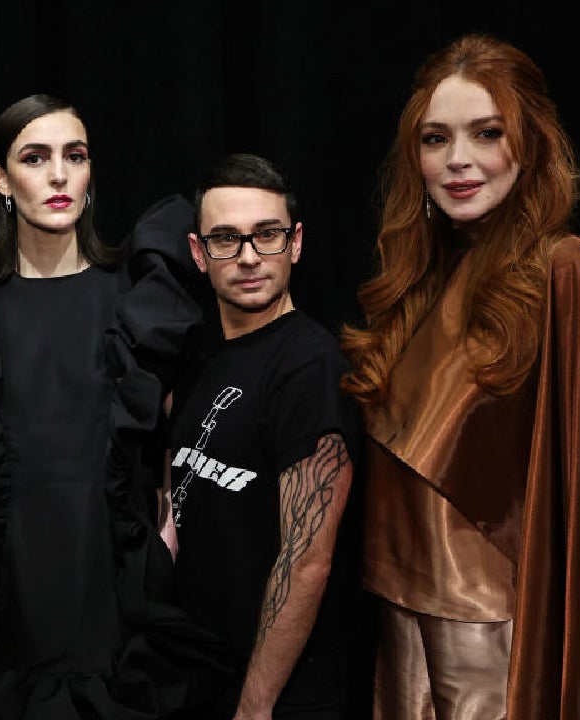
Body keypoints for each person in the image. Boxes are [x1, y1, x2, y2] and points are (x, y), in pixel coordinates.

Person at [339, 34, 580, 719]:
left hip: (496, 634)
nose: (458, 159)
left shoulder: (565, 273)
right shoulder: (421, 280)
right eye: (435, 139)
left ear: (530, 143)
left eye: (487, 133)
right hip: (396, 616)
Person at [0, 94, 227, 720]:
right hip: (9, 593)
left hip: (114, 586)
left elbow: (176, 423)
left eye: (74, 156)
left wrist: (166, 523)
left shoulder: (139, 300)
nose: (58, 175)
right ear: (1, 178)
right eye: (35, 158)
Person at [165, 153, 366, 719]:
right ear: (199, 253)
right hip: (202, 674)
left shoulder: (308, 367)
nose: (249, 256)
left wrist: (254, 709)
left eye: (267, 234)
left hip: (281, 697)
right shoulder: (202, 360)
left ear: (295, 243)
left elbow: (307, 562)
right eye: (226, 239)